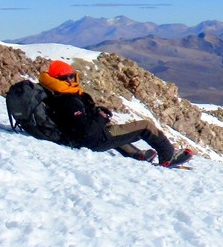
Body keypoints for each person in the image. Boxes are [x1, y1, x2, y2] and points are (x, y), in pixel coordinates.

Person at [38, 60, 192, 167]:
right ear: (60, 79)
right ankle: (168, 156)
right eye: (69, 77)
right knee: (145, 126)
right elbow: (87, 130)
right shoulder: (67, 100)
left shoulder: (55, 93)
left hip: (83, 137)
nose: (73, 79)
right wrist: (99, 117)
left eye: (73, 75)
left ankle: (135, 154)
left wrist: (97, 113)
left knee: (116, 131)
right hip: (92, 140)